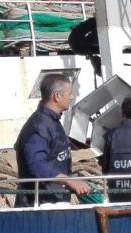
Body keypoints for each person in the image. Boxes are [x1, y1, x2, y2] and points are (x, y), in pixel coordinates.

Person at [14, 73, 90, 206]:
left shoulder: (52, 121)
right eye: (69, 93)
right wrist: (69, 181)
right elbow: (37, 165)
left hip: (55, 199)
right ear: (57, 96)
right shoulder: (39, 126)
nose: (72, 97)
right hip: (40, 204)